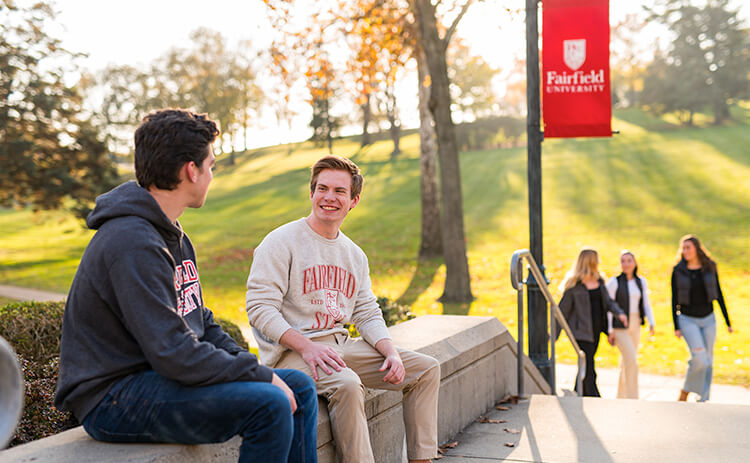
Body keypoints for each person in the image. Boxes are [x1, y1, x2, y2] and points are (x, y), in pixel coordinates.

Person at [54, 109, 318, 463]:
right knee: (269, 404)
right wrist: (260, 378)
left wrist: (254, 367)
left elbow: (200, 322)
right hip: (113, 396)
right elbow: (173, 352)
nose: (211, 174)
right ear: (190, 171)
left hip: (155, 378)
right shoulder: (131, 242)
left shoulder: (172, 235)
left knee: (298, 386)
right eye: (210, 165)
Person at [246, 155, 440, 463]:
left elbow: (366, 311)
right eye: (322, 188)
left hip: (340, 346)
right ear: (311, 193)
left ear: (353, 201)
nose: (329, 197)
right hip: (293, 353)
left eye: (339, 191)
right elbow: (259, 308)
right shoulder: (280, 242)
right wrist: (306, 347)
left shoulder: (354, 254)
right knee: (348, 384)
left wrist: (390, 351)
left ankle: (422, 460)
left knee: (426, 368)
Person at [558, 248, 628, 397]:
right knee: (589, 363)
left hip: (596, 329)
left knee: (586, 362)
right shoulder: (574, 286)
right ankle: (594, 396)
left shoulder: (599, 281)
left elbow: (608, 302)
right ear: (590, 261)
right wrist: (553, 335)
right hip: (580, 331)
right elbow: (561, 312)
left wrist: (619, 313)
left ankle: (578, 391)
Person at [671, 234, 733, 402]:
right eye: (683, 248)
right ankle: (685, 390)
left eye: (688, 247)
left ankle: (703, 399)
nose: (685, 251)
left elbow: (719, 293)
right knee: (700, 358)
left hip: (708, 318)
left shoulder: (710, 267)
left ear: (697, 248)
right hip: (687, 318)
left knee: (708, 361)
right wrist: (676, 326)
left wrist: (727, 321)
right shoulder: (678, 270)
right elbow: (674, 298)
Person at [605, 251, 656, 399]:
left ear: (634, 263)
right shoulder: (614, 282)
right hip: (619, 326)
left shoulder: (641, 282)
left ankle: (621, 396)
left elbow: (646, 303)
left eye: (629, 261)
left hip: (636, 323)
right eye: (623, 261)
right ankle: (633, 397)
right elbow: (609, 306)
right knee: (632, 360)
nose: (626, 264)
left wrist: (651, 322)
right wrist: (609, 330)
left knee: (627, 361)